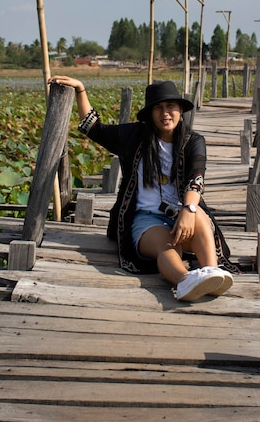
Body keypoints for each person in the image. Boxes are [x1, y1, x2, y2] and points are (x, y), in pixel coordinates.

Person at [48, 76, 238, 302]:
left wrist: (188, 209)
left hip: (183, 212)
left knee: (198, 217)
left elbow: (196, 179)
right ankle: (185, 280)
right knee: (166, 246)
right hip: (145, 219)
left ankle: (211, 273)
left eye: (170, 106)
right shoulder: (133, 136)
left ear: (180, 110)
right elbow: (93, 128)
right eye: (158, 108)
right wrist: (80, 90)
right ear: (150, 114)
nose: (165, 113)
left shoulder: (193, 141)